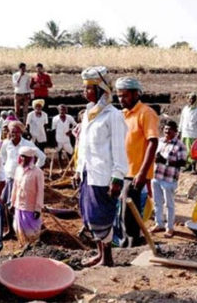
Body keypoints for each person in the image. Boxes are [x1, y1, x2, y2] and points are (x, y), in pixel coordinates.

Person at [75, 66, 127, 267]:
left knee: (102, 216)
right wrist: (79, 170)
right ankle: (99, 254)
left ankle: (108, 258)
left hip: (105, 175)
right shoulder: (88, 113)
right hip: (90, 173)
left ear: (100, 90)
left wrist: (117, 176)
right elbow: (84, 145)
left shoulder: (113, 115)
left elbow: (119, 149)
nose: (85, 92)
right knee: (89, 215)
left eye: (89, 88)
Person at [115, 76, 159, 248]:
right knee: (123, 212)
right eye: (119, 96)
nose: (121, 99)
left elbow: (152, 142)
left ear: (135, 94)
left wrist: (142, 172)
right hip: (124, 171)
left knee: (129, 213)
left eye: (124, 96)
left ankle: (132, 245)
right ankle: (126, 243)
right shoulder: (124, 115)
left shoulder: (146, 113)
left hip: (135, 173)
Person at [151, 120, 187, 238]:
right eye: (165, 129)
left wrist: (165, 161)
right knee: (157, 202)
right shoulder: (160, 141)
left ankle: (170, 227)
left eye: (169, 130)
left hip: (169, 179)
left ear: (175, 132)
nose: (166, 131)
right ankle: (159, 223)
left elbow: (182, 162)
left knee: (169, 204)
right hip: (157, 176)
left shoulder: (179, 145)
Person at [10, 146, 45, 245]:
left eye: (24, 157)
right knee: (17, 227)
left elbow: (40, 192)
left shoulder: (37, 172)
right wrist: (12, 202)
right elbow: (15, 187)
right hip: (18, 205)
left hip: (30, 207)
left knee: (31, 231)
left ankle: (32, 247)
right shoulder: (18, 170)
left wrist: (38, 209)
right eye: (20, 156)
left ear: (30, 158)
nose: (21, 159)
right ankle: (23, 245)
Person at [178, 92, 197, 173]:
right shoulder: (185, 109)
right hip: (185, 132)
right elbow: (181, 121)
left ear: (196, 99)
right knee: (185, 150)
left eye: (193, 98)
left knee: (193, 151)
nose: (191, 100)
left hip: (194, 133)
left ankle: (193, 167)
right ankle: (187, 166)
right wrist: (179, 131)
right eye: (189, 98)